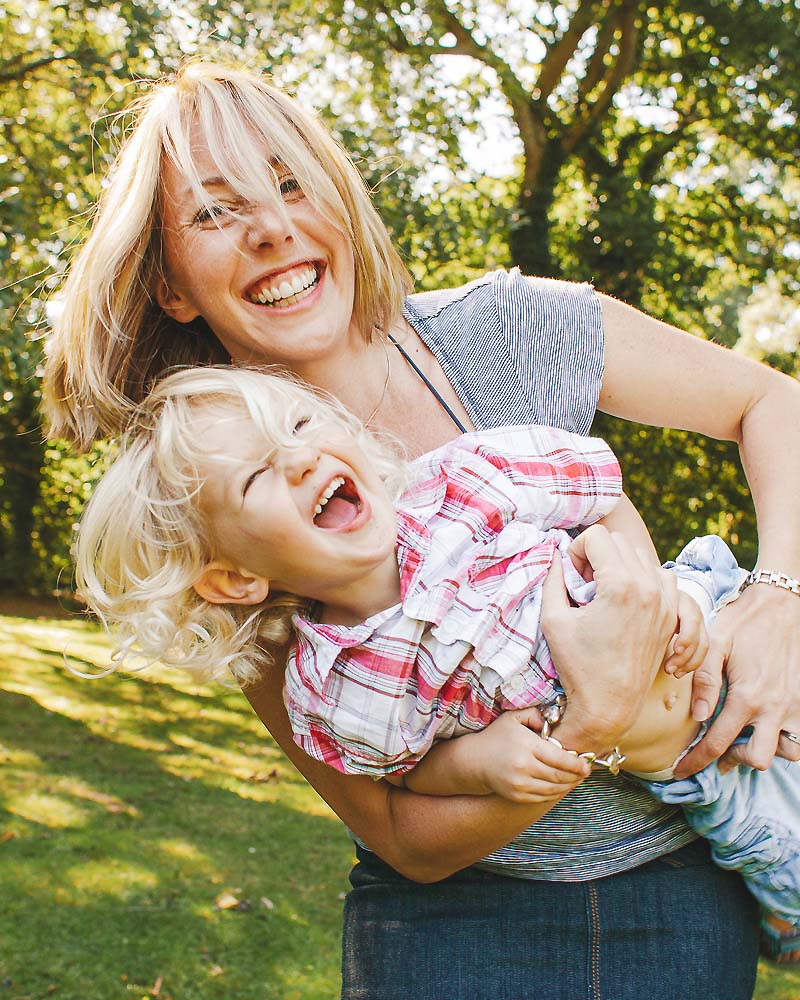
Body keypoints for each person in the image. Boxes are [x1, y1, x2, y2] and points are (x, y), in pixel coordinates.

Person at [42, 60, 800, 995]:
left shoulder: (504, 332)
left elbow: (774, 403)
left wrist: (775, 600)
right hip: (456, 921)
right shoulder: (230, 522)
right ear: (170, 287)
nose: (274, 228)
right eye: (215, 212)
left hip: (678, 890)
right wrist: (586, 725)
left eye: (291, 184)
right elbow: (406, 837)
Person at [72, 364, 800, 938]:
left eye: (299, 424)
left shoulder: (466, 484)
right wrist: (485, 764)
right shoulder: (338, 689)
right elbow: (411, 776)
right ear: (235, 578)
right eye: (257, 475)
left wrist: (642, 587)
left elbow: (594, 491)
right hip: (695, 778)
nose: (296, 459)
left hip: (715, 639)